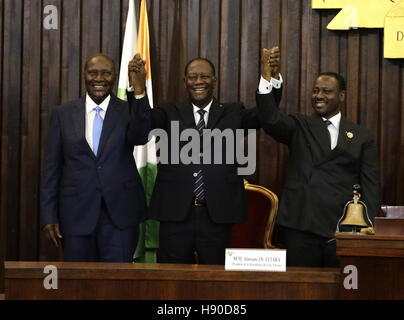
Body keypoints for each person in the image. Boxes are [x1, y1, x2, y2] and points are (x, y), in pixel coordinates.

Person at [128, 50, 282, 265]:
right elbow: (139, 130)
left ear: (214, 80)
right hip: (175, 214)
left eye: (204, 76)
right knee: (171, 283)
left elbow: (266, 116)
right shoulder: (169, 111)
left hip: (217, 215)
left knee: (215, 282)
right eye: (192, 77)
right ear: (185, 81)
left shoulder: (233, 112)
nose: (198, 81)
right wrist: (138, 91)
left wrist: (268, 79)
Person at [257, 48, 381, 267]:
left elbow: (371, 185)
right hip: (301, 225)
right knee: (302, 289)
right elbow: (270, 119)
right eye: (315, 91)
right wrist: (269, 77)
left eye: (326, 91)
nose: (319, 96)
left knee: (344, 289)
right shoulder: (300, 125)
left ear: (341, 96)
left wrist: (368, 225)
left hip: (343, 227)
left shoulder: (361, 135)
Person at [40, 53, 151, 262]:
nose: (99, 78)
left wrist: (139, 91)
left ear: (115, 77)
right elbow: (51, 169)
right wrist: (49, 216)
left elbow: (141, 135)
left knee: (117, 285)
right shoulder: (62, 114)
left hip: (120, 215)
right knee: (79, 285)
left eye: (106, 73)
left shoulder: (127, 109)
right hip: (75, 214)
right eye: (93, 73)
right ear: (84, 75)